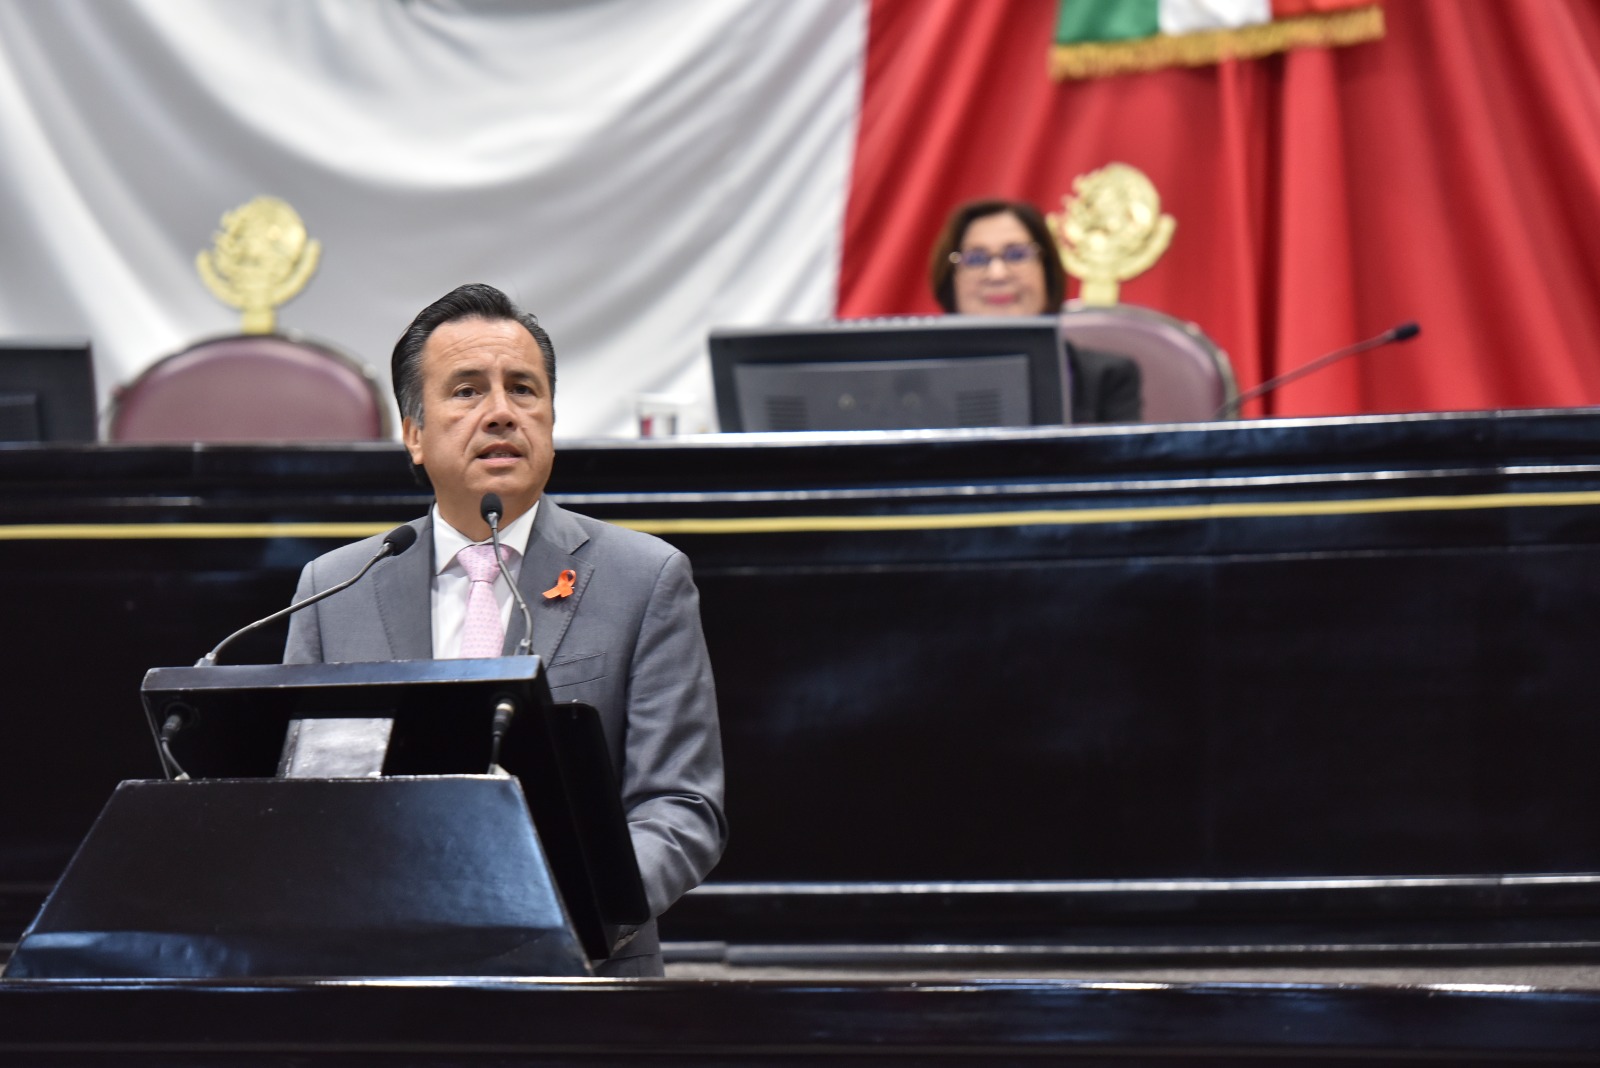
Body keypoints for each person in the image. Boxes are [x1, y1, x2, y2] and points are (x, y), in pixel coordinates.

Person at [283, 282, 726, 977]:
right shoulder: (335, 589)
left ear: (550, 418)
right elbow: (298, 806)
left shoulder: (643, 579)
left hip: (583, 978)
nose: (500, 412)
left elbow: (680, 805)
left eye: (523, 389)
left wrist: (571, 908)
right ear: (414, 434)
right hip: (382, 977)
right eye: (466, 391)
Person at [928, 197, 1143, 423]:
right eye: (976, 259)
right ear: (950, 279)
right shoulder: (917, 379)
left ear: (1047, 272)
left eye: (1017, 255)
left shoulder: (1108, 378)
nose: (997, 274)